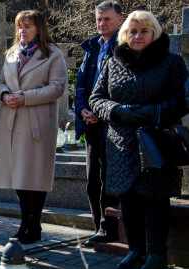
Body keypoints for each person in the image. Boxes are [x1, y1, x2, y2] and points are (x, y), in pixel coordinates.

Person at [89, 11, 188, 269]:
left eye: (144, 30)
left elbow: (181, 99)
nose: (138, 36)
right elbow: (96, 99)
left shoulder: (172, 62)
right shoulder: (112, 63)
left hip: (155, 141)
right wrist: (117, 110)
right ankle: (135, 249)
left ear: (153, 32)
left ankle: (157, 254)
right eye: (132, 31)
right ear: (125, 35)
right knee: (128, 198)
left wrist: (151, 112)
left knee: (156, 200)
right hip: (121, 143)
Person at [0, 10, 67, 244]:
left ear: (39, 28)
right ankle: (24, 222)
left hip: (37, 121)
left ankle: (34, 224)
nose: (22, 31)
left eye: (28, 26)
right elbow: (1, 81)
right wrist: (4, 95)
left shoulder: (52, 54)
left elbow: (57, 87)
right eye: (20, 27)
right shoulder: (12, 53)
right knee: (19, 175)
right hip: (12, 120)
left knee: (35, 175)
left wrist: (24, 97)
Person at [74, 0, 123, 248]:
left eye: (107, 19)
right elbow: (81, 81)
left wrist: (98, 111)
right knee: (93, 178)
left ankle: (109, 228)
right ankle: (98, 226)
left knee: (109, 178)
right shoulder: (93, 47)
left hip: (111, 125)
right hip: (91, 123)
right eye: (99, 19)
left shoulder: (123, 47)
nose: (102, 24)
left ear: (119, 20)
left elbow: (120, 87)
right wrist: (83, 108)